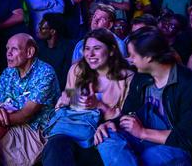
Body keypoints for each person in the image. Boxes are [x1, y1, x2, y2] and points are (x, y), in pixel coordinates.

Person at [94, 26, 192, 166]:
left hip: (175, 147)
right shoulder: (141, 77)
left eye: (133, 55)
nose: (130, 60)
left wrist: (143, 133)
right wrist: (111, 124)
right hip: (140, 138)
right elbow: (128, 112)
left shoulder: (188, 83)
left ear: (149, 57)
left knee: (147, 157)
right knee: (106, 137)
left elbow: (187, 138)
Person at [0, 33, 60, 166]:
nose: (8, 53)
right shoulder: (8, 73)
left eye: (14, 49)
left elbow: (26, 115)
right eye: (7, 49)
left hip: (37, 132)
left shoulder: (45, 72)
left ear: (30, 52)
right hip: (11, 126)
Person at [43, 29, 134, 166]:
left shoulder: (127, 77)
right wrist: (75, 99)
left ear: (111, 50)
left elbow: (125, 118)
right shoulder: (77, 70)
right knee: (56, 144)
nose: (90, 54)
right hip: (76, 128)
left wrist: (99, 105)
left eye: (97, 48)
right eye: (87, 49)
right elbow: (64, 100)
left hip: (107, 132)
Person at [36, 13, 74, 91]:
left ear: (52, 31)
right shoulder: (39, 47)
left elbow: (68, 77)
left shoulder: (68, 48)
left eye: (42, 28)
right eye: (39, 26)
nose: (38, 30)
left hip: (62, 90)